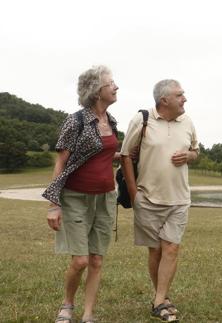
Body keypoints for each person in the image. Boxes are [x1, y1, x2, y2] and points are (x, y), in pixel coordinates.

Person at [43, 65, 120, 323]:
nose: (116, 87)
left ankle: (88, 314)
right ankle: (67, 304)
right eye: (111, 83)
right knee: (81, 261)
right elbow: (61, 162)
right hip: (75, 197)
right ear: (98, 91)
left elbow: (104, 153)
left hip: (105, 198)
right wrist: (54, 205)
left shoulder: (112, 121)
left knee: (97, 260)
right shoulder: (75, 121)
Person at [120, 79, 199, 322]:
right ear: (164, 100)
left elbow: (196, 151)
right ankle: (161, 299)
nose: (184, 98)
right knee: (155, 251)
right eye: (179, 95)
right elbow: (125, 155)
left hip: (179, 198)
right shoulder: (142, 120)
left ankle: (159, 300)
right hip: (148, 198)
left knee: (171, 248)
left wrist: (189, 155)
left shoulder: (187, 121)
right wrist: (134, 195)